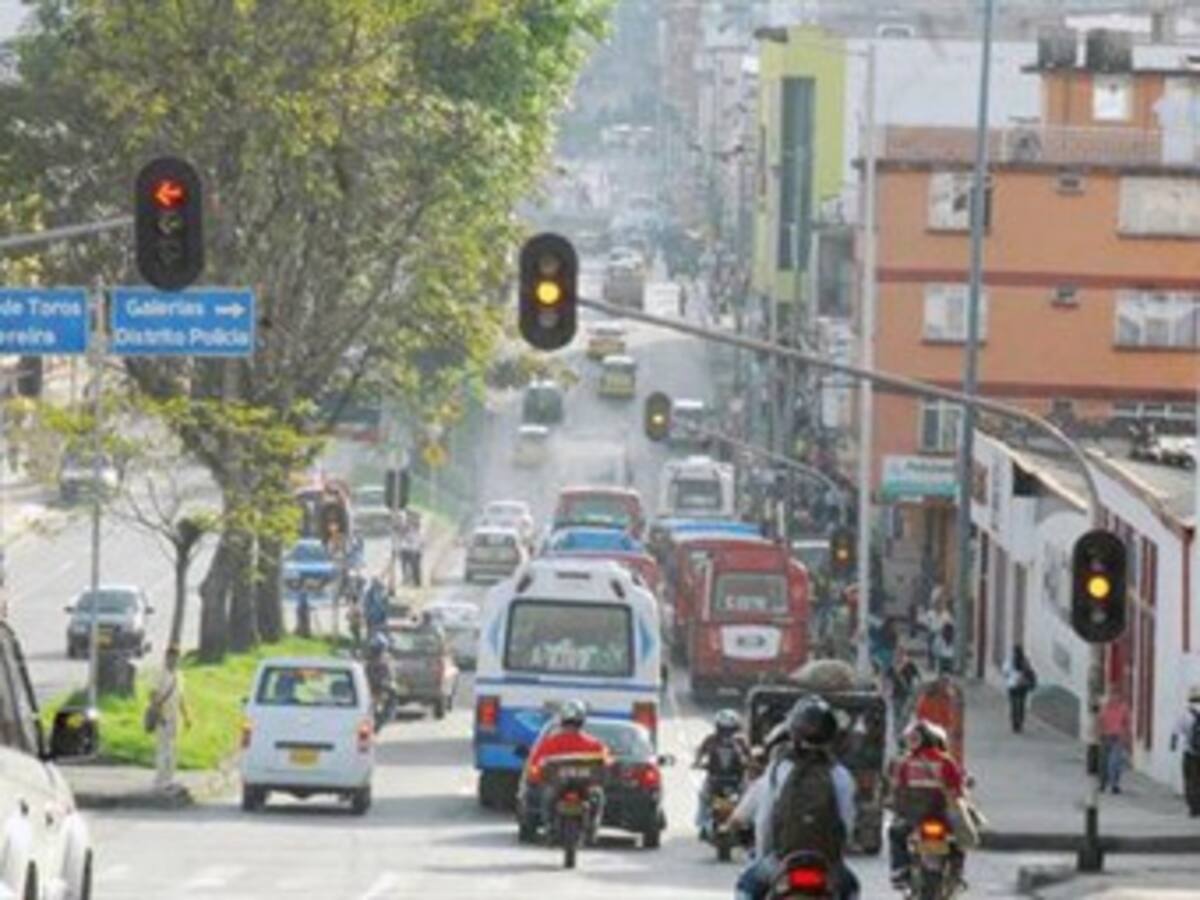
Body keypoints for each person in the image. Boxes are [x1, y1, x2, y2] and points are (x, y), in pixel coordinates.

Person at [733, 698, 859, 900]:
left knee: (746, 886)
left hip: (780, 860)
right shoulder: (841, 775)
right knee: (851, 888)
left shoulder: (778, 769)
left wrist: (762, 852)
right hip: (827, 863)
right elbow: (847, 822)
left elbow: (764, 819)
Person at [888, 719, 968, 888]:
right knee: (962, 836)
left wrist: (896, 807)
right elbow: (957, 792)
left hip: (914, 819)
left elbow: (898, 791)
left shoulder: (906, 763)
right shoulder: (946, 762)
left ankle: (900, 869)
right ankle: (957, 873)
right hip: (941, 817)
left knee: (895, 832)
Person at [526, 700, 612, 838]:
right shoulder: (594, 743)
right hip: (578, 787)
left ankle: (551, 827)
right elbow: (606, 763)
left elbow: (536, 763)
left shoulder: (550, 743)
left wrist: (536, 776)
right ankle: (591, 828)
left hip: (561, 787)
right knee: (598, 796)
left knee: (547, 798)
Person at [693, 708, 751, 833]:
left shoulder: (741, 741)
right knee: (703, 796)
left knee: (749, 796)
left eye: (730, 730)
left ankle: (749, 822)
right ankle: (702, 821)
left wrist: (750, 764)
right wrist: (697, 762)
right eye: (724, 729)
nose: (727, 733)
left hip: (737, 780)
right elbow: (700, 752)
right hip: (715, 779)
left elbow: (750, 756)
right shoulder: (710, 739)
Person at [151, 644, 191, 793]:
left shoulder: (179, 676)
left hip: (176, 718)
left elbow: (181, 698)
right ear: (166, 658)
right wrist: (159, 714)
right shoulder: (160, 674)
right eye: (171, 657)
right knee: (162, 748)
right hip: (163, 716)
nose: (173, 660)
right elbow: (153, 696)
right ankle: (160, 780)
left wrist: (187, 716)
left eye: (176, 658)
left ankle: (170, 778)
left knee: (173, 749)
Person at [1171, 687, 1200, 816]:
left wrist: (1173, 743)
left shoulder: (1185, 713)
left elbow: (1176, 731)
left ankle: (1193, 807)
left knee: (1190, 780)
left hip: (1190, 752)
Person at [1098, 689, 1132, 794]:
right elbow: (1100, 721)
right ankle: (1103, 783)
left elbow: (1127, 724)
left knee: (1114, 763)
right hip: (1106, 737)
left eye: (1116, 696)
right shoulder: (1105, 707)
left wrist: (1127, 739)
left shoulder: (1124, 708)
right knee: (1103, 762)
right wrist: (1100, 733)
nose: (1114, 698)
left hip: (1118, 738)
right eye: (1112, 695)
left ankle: (1114, 785)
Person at [886, 648, 922, 740]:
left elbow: (917, 677)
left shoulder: (910, 665)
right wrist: (886, 690)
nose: (898, 657)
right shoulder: (892, 666)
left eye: (900, 654)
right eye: (897, 655)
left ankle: (902, 732)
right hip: (896, 694)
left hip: (908, 694)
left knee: (905, 715)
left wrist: (917, 690)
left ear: (904, 654)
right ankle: (898, 733)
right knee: (896, 715)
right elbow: (887, 679)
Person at [1003, 644, 1038, 734]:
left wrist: (1012, 676)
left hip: (1013, 686)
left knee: (1014, 705)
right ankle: (1020, 722)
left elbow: (1005, 673)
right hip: (1023, 686)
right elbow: (1029, 671)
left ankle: (1015, 724)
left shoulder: (1009, 660)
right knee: (1021, 704)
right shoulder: (1025, 660)